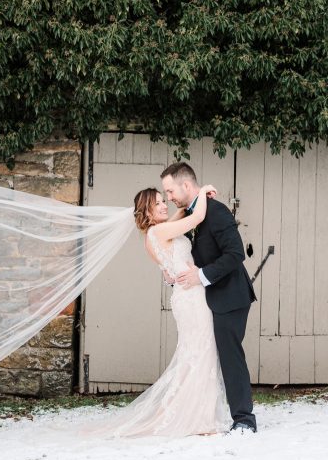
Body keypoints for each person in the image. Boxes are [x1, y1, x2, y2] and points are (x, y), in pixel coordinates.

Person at [80, 182, 232, 437]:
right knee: (201, 354)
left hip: (183, 297)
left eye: (164, 200)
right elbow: (198, 216)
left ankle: (193, 413)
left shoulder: (152, 237)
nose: (164, 205)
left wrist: (185, 204)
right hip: (192, 297)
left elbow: (178, 224)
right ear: (147, 212)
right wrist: (202, 190)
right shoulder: (160, 233)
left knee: (193, 355)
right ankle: (198, 419)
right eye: (158, 203)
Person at [161, 162, 257, 433]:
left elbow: (235, 253)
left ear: (186, 186)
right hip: (206, 298)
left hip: (230, 296)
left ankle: (245, 421)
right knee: (208, 357)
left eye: (170, 191)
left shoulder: (217, 212)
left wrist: (201, 275)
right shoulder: (190, 214)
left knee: (230, 356)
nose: (169, 198)